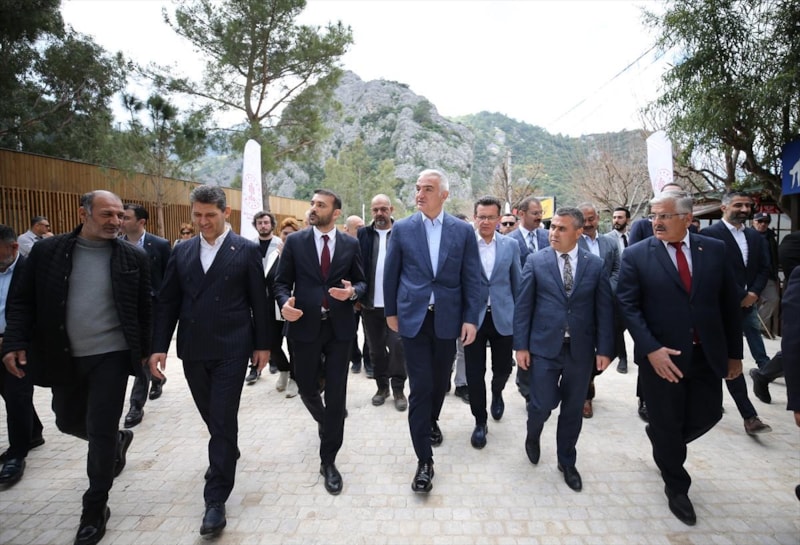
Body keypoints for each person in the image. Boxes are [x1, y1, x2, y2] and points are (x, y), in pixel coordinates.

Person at [2, 190, 151, 545]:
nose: (115, 221)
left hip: (112, 356)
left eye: (120, 215)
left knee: (99, 429)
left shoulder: (133, 257)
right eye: (107, 214)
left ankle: (95, 507)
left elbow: (145, 309)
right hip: (63, 355)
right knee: (67, 421)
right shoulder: (47, 252)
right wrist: (14, 341)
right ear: (83, 213)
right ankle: (117, 440)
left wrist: (148, 353)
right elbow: (22, 301)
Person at [148, 185, 270, 537]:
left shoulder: (245, 249)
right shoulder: (182, 250)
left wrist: (263, 345)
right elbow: (168, 301)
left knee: (222, 416)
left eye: (210, 215)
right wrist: (159, 346)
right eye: (197, 215)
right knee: (213, 416)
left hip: (233, 346)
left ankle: (215, 499)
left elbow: (259, 301)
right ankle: (227, 448)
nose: (203, 221)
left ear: (225, 213)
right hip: (193, 348)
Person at [617, 191, 743, 525]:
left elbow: (729, 305)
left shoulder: (714, 250)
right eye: (654, 216)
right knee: (668, 422)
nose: (656, 222)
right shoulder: (636, 255)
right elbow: (627, 306)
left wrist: (734, 354)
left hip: (705, 354)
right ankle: (677, 488)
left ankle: (663, 441)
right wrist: (651, 349)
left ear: (688, 219)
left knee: (709, 414)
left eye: (665, 216)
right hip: (662, 358)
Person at [383, 168, 481, 494]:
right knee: (421, 388)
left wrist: (471, 318)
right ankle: (424, 461)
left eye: (427, 188)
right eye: (418, 188)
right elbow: (391, 273)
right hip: (414, 319)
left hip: (447, 320)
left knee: (440, 382)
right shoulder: (403, 228)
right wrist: (391, 313)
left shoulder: (462, 231)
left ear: (444, 195)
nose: (419, 194)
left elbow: (472, 277)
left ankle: (431, 419)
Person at [513, 207, 614, 493]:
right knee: (542, 403)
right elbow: (523, 307)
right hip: (544, 347)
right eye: (552, 227)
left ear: (578, 232)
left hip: (580, 350)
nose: (553, 233)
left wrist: (605, 349)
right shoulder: (536, 261)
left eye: (561, 228)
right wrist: (521, 346)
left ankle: (567, 461)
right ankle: (533, 434)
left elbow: (604, 310)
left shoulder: (595, 265)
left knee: (572, 408)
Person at [274, 189, 366, 496]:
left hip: (340, 329)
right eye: (312, 203)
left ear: (335, 213)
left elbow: (362, 281)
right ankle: (328, 423)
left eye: (321, 205)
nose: (313, 208)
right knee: (306, 387)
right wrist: (284, 302)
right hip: (303, 326)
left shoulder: (351, 244)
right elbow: (281, 282)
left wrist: (353, 292)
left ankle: (328, 461)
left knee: (337, 394)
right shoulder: (296, 242)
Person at [701, 191, 772, 435]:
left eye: (748, 206)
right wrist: (736, 295)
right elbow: (708, 272)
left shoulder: (755, 236)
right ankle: (747, 414)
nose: (744, 209)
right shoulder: (709, 235)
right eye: (738, 205)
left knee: (734, 356)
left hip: (747, 306)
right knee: (726, 357)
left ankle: (748, 416)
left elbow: (764, 267)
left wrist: (753, 292)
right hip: (717, 309)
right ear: (724, 207)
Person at [464, 196, 520, 449]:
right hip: (472, 319)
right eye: (481, 217)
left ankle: (497, 392)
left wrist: (520, 318)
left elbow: (517, 282)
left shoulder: (510, 245)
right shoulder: (465, 245)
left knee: (503, 369)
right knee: (474, 373)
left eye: (490, 217)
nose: (485, 222)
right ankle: (480, 420)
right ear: (474, 218)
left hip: (503, 316)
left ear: (499, 219)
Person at [0, 225, 45, 487]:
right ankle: (34, 432)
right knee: (8, 393)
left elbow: (40, 313)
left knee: (17, 396)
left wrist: (13, 339)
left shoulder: (32, 272)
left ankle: (17, 454)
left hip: (20, 346)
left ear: (13, 247)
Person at [119, 204, 172, 428]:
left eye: (126, 217)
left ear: (141, 222)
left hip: (151, 312)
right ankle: (158, 378)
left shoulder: (159, 245)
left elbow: (169, 278)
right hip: (124, 312)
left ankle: (136, 405)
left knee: (144, 356)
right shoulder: (115, 245)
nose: (120, 221)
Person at [357, 195, 408, 411]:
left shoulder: (402, 232)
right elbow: (357, 266)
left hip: (396, 306)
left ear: (391, 209)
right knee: (376, 350)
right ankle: (382, 387)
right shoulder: (363, 234)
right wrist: (357, 297)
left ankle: (398, 389)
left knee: (397, 348)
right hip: (370, 305)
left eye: (383, 209)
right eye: (375, 209)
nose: (379, 213)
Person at [577, 203, 620, 419]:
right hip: (581, 305)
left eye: (591, 218)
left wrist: (605, 290)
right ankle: (585, 396)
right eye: (583, 219)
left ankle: (591, 376)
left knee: (610, 348)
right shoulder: (572, 241)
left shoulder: (610, 242)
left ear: (598, 218)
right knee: (584, 351)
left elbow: (617, 269)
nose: (587, 223)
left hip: (606, 304)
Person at [507, 196, 550, 401]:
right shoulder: (509, 240)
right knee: (524, 344)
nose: (539, 217)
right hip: (521, 301)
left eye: (541, 213)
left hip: (547, 300)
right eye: (535, 213)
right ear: (521, 214)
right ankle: (526, 389)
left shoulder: (548, 236)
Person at [246, 210, 281, 384]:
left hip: (275, 298)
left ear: (272, 224)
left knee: (275, 335)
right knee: (253, 334)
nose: (263, 226)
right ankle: (255, 368)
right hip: (254, 296)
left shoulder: (281, 244)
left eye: (266, 222)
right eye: (259, 223)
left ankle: (275, 361)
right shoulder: (249, 245)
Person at [343, 214, 371, 376]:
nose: (362, 230)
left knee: (369, 333)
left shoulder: (368, 244)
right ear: (347, 229)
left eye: (363, 226)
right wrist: (353, 296)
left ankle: (369, 361)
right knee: (350, 331)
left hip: (367, 296)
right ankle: (355, 359)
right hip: (348, 297)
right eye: (358, 227)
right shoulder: (342, 246)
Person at [604, 206, 630, 373]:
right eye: (614, 217)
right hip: (615, 289)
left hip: (633, 287)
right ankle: (622, 358)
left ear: (627, 219)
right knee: (618, 325)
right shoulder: (607, 240)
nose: (616, 220)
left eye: (620, 217)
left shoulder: (634, 237)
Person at [752, 212, 779, 335]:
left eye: (766, 222)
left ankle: (757, 326)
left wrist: (775, 273)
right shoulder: (746, 235)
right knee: (748, 302)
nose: (763, 224)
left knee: (773, 299)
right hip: (751, 274)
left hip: (768, 274)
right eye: (760, 221)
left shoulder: (771, 237)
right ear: (754, 221)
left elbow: (774, 256)